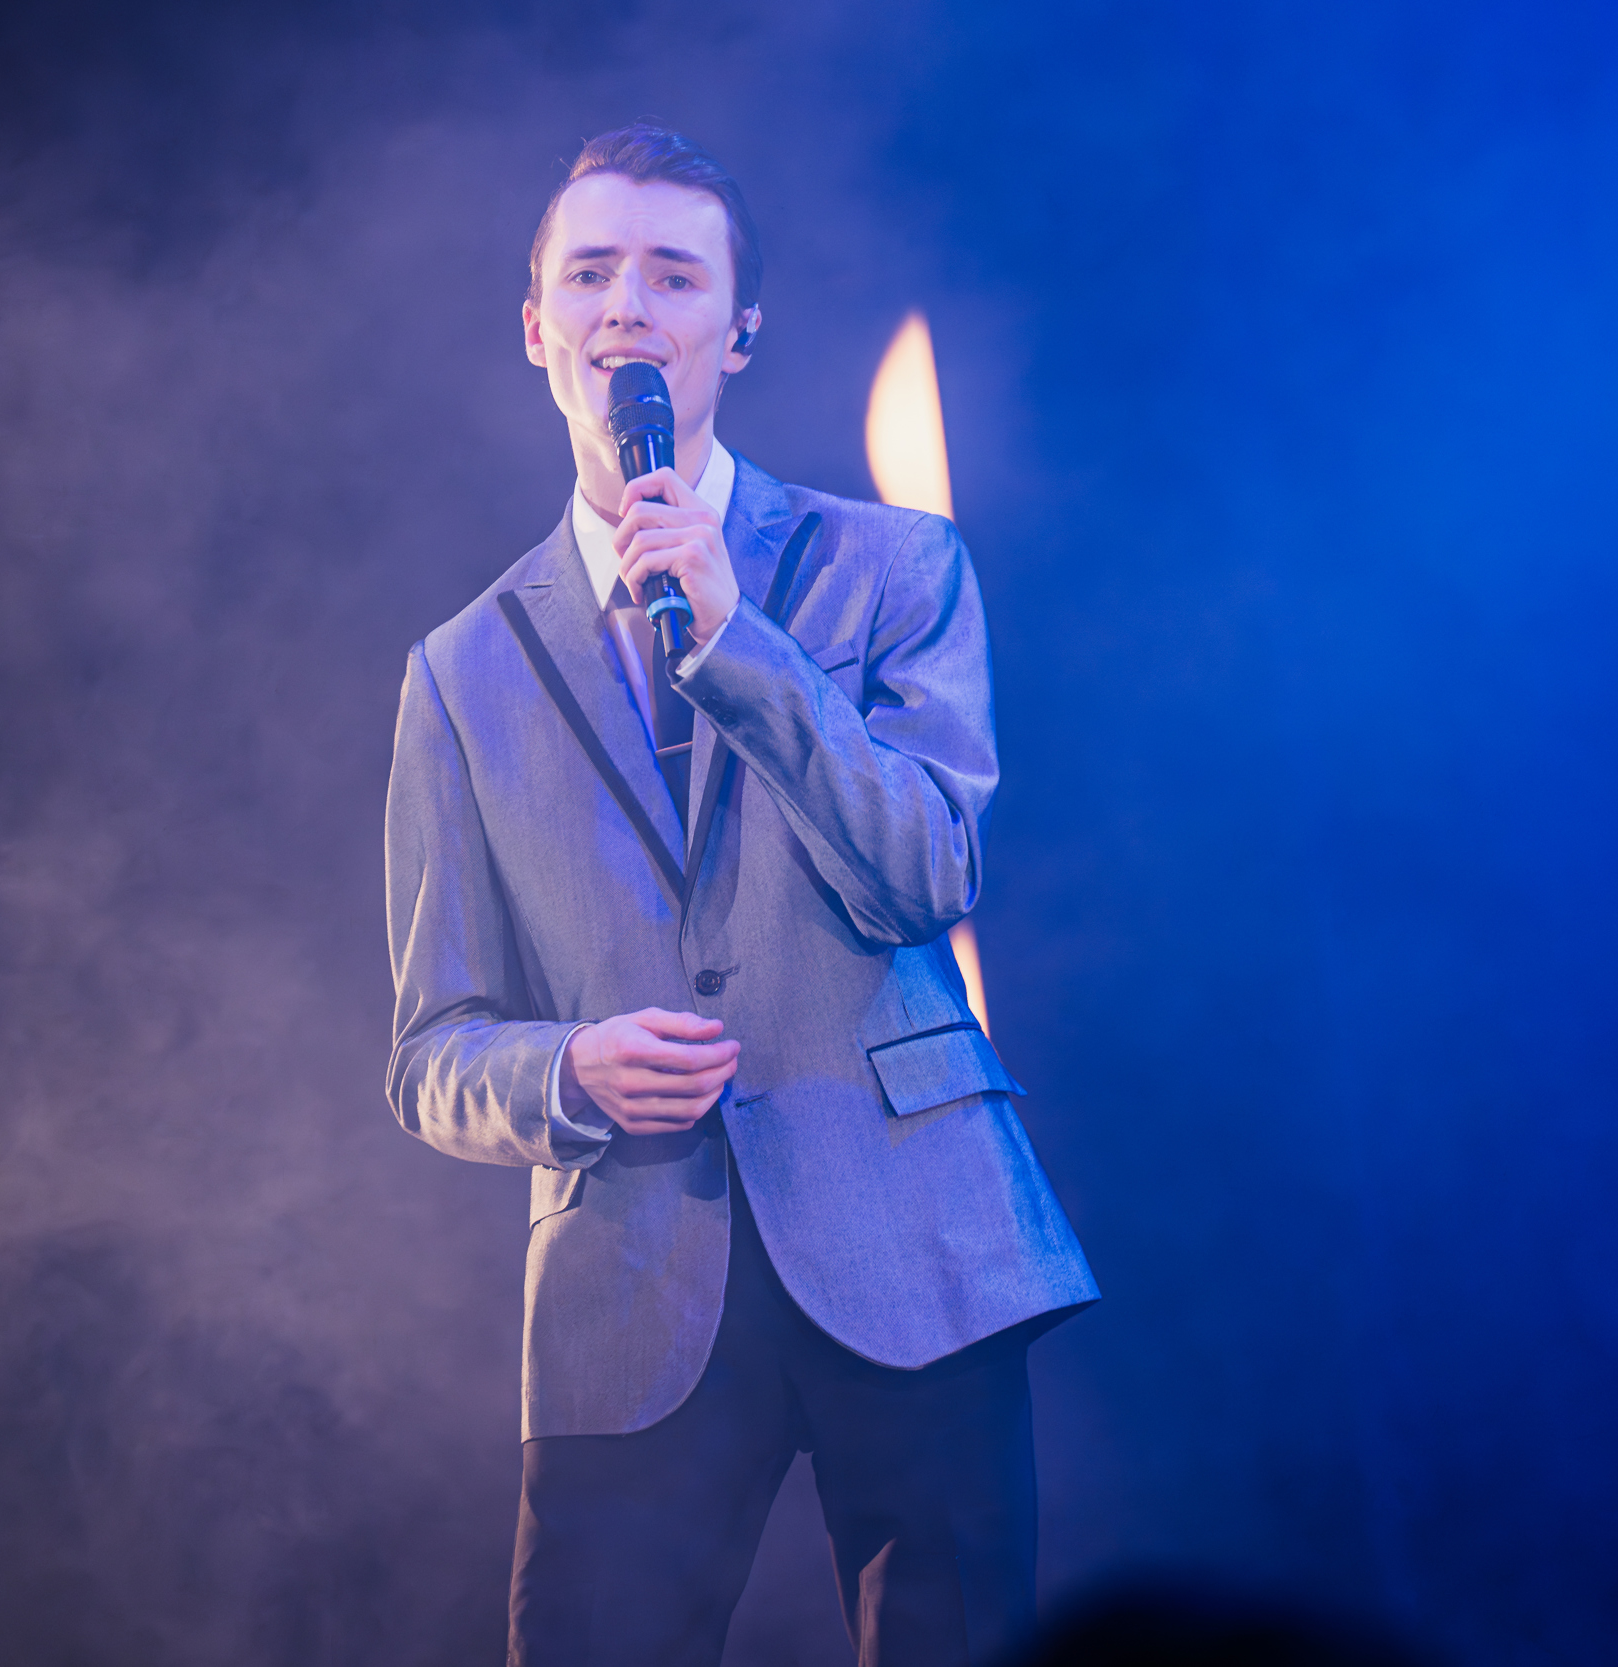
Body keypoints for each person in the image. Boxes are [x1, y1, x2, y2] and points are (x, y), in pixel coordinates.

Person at [383, 123, 1099, 1667]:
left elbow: (926, 872)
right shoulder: (459, 672)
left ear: (739, 328)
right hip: (628, 1279)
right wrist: (567, 1069)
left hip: (908, 1228)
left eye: (672, 274)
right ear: (537, 328)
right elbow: (432, 1052)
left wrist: (735, 644)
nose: (627, 306)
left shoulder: (891, 567)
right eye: (591, 273)